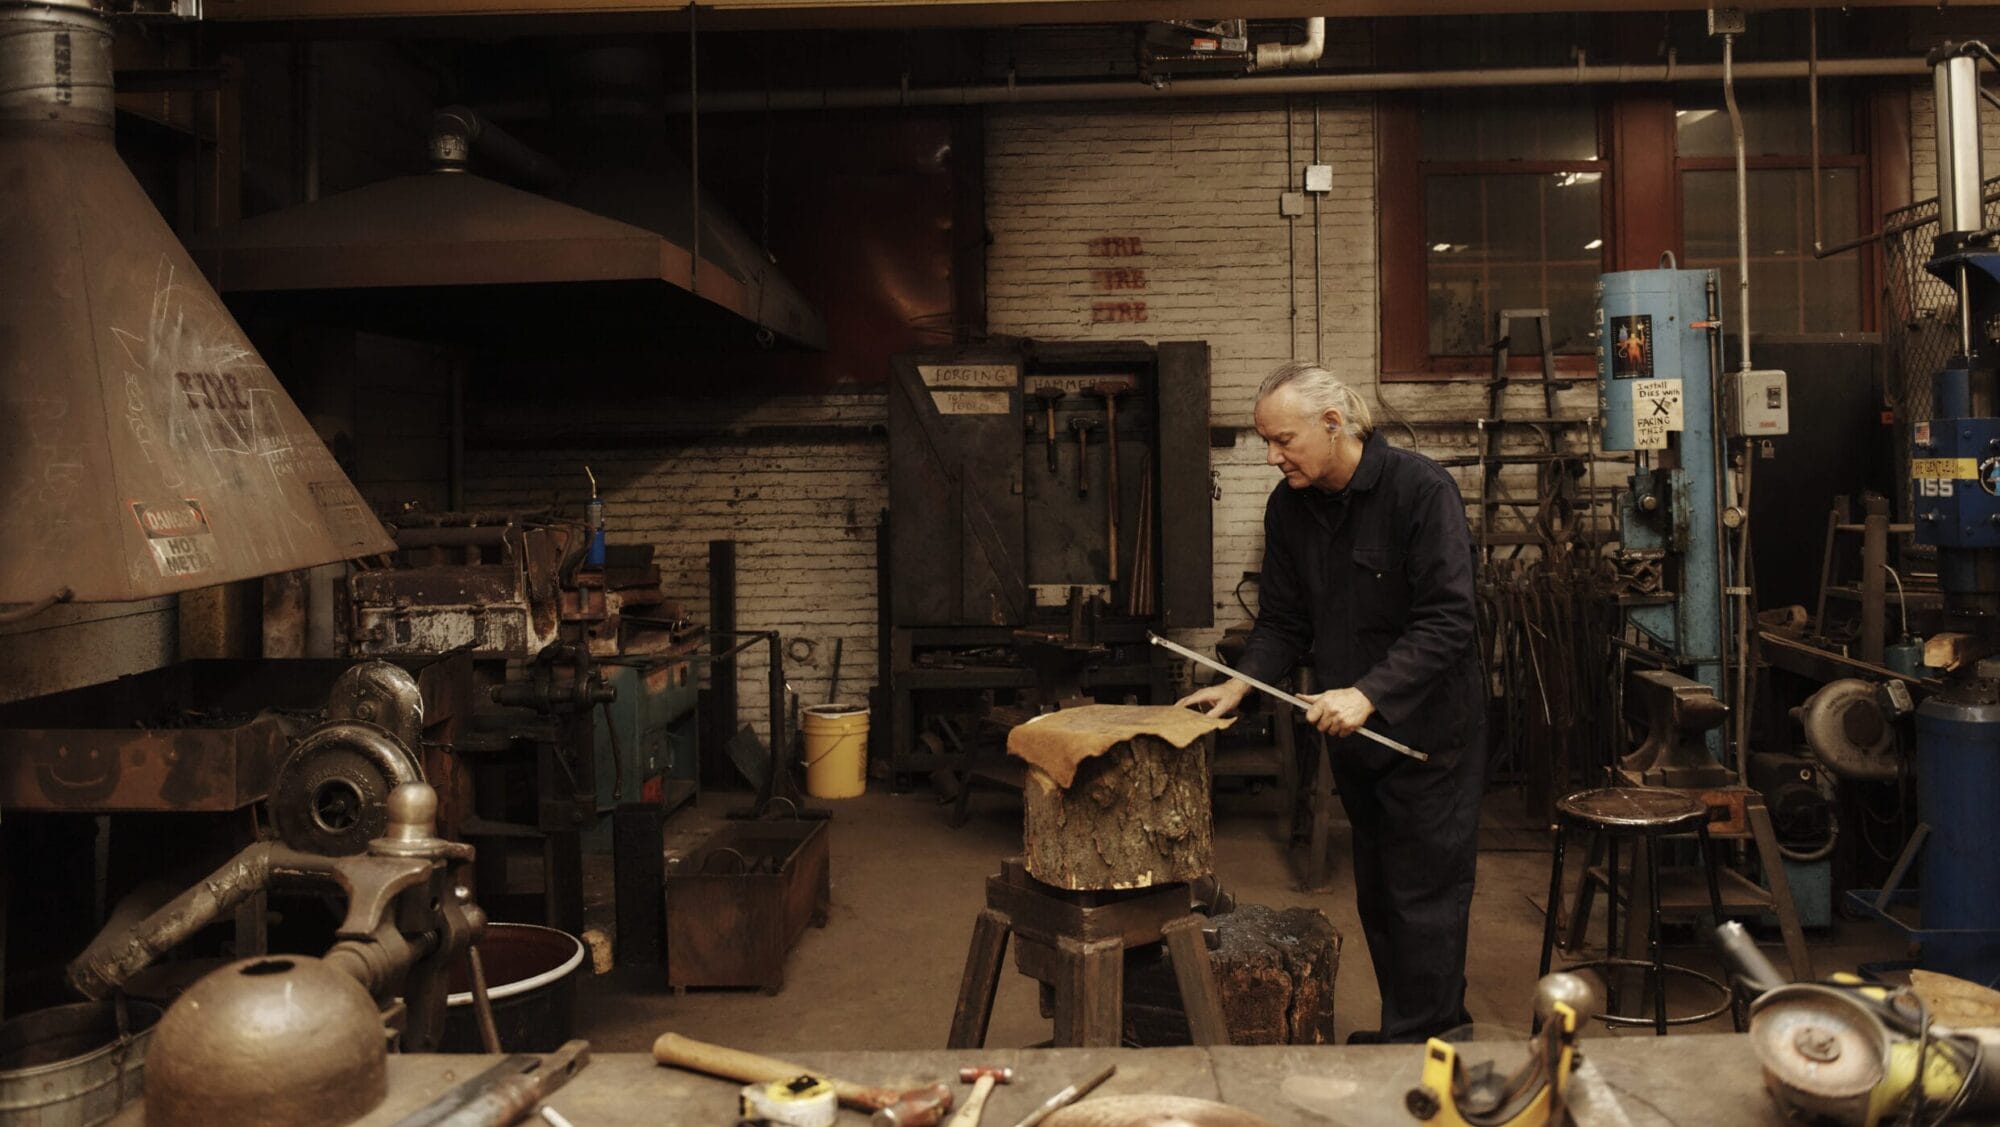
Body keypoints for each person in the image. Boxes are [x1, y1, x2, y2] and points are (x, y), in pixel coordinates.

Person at [1178, 361, 1486, 1044]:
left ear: (1333, 423)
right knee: (1379, 896)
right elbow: (1284, 619)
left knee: (1425, 900)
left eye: (1283, 439)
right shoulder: (1291, 507)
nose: (1271, 455)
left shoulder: (1419, 490)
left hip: (1428, 735)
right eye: (1266, 440)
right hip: (1355, 737)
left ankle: (1431, 1044)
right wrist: (1242, 683)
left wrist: (1370, 692)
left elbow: (1447, 620)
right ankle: (1410, 1032)